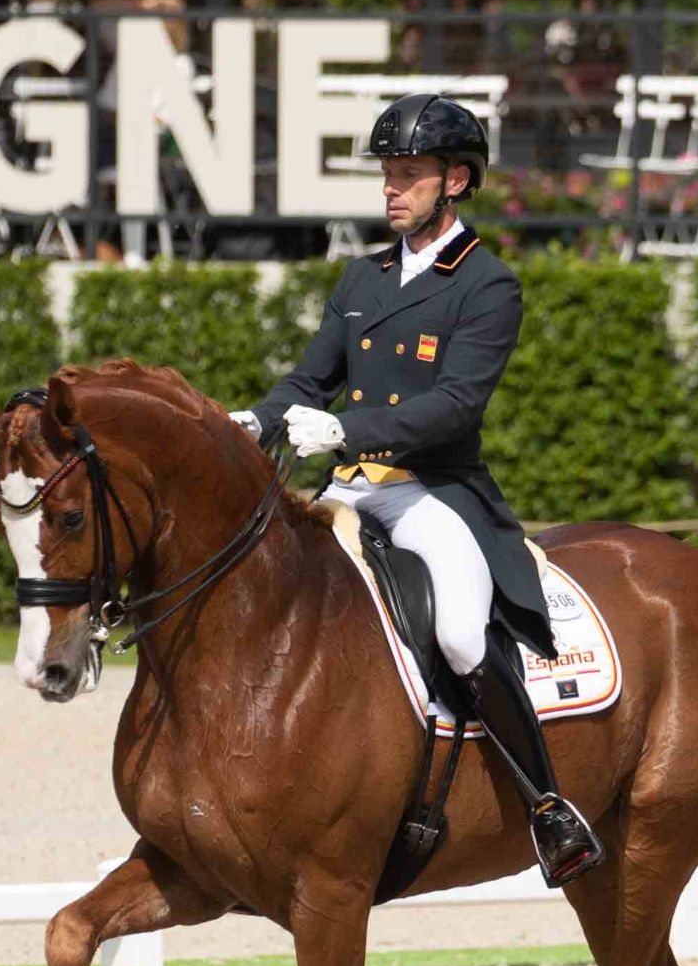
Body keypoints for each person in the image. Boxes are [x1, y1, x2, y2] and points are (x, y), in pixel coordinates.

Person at [235, 94, 604, 886]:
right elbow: (309, 379)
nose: (391, 189)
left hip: (431, 491)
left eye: (408, 175)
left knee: (466, 634)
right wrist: (252, 421)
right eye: (388, 175)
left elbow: (457, 404)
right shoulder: (361, 276)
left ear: (456, 180)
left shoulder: (486, 283)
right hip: (351, 490)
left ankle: (548, 807)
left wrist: (349, 430)